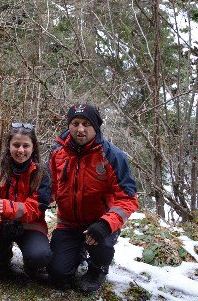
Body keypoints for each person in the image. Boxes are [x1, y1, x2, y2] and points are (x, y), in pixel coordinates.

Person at [47, 104, 139, 293]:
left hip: (100, 223)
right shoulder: (57, 153)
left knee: (102, 241)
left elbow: (128, 198)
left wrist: (106, 223)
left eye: (87, 124)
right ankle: (77, 251)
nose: (80, 129)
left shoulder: (112, 156)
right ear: (69, 125)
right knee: (57, 273)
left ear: (96, 126)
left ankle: (98, 268)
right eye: (75, 123)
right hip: (69, 224)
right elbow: (49, 189)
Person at [0, 123, 52, 278]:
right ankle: (3, 253)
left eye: (25, 146)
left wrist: (9, 208)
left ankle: (30, 263)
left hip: (29, 226)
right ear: (8, 146)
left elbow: (38, 207)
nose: (20, 150)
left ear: (33, 147)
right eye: (16, 145)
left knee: (40, 257)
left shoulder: (42, 173)